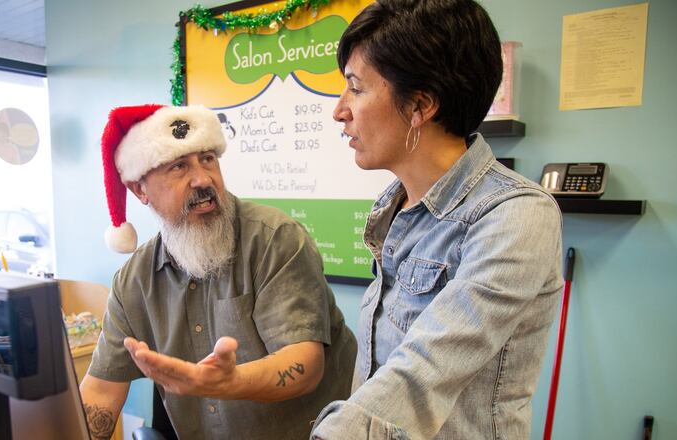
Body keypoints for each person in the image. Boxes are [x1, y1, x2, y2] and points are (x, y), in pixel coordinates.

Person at [311, 0, 563, 439]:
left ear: (421, 105)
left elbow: (424, 369)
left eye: (356, 87)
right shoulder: (396, 207)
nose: (340, 110)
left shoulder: (517, 215)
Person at [80, 104, 357, 440]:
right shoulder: (133, 281)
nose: (203, 179)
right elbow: (102, 392)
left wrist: (230, 382)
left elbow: (304, 365)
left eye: (208, 159)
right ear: (140, 190)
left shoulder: (274, 238)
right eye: (179, 166)